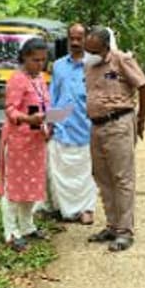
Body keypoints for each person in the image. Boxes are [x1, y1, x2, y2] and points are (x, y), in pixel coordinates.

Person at [84, 26, 145, 253]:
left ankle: (125, 231)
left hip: (119, 123)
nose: (90, 53)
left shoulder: (121, 60)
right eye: (87, 49)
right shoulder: (90, 66)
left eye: (94, 50)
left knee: (122, 177)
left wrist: (141, 119)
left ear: (105, 47)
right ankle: (112, 225)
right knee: (102, 177)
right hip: (96, 126)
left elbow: (144, 86)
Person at [0, 38, 53, 252]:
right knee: (14, 187)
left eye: (42, 60)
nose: (39, 64)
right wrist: (27, 119)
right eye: (34, 60)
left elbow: (43, 106)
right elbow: (10, 110)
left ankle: (27, 226)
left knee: (31, 184)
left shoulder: (40, 79)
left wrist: (48, 122)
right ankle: (11, 232)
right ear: (24, 58)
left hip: (36, 140)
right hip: (18, 140)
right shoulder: (17, 79)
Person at [42, 23, 96, 226]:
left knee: (86, 172)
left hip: (87, 127)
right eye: (71, 38)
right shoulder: (58, 66)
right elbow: (53, 97)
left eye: (79, 38)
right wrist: (49, 123)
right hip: (62, 127)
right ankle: (64, 209)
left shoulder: (95, 64)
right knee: (60, 169)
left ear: (86, 39)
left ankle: (86, 209)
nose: (75, 42)